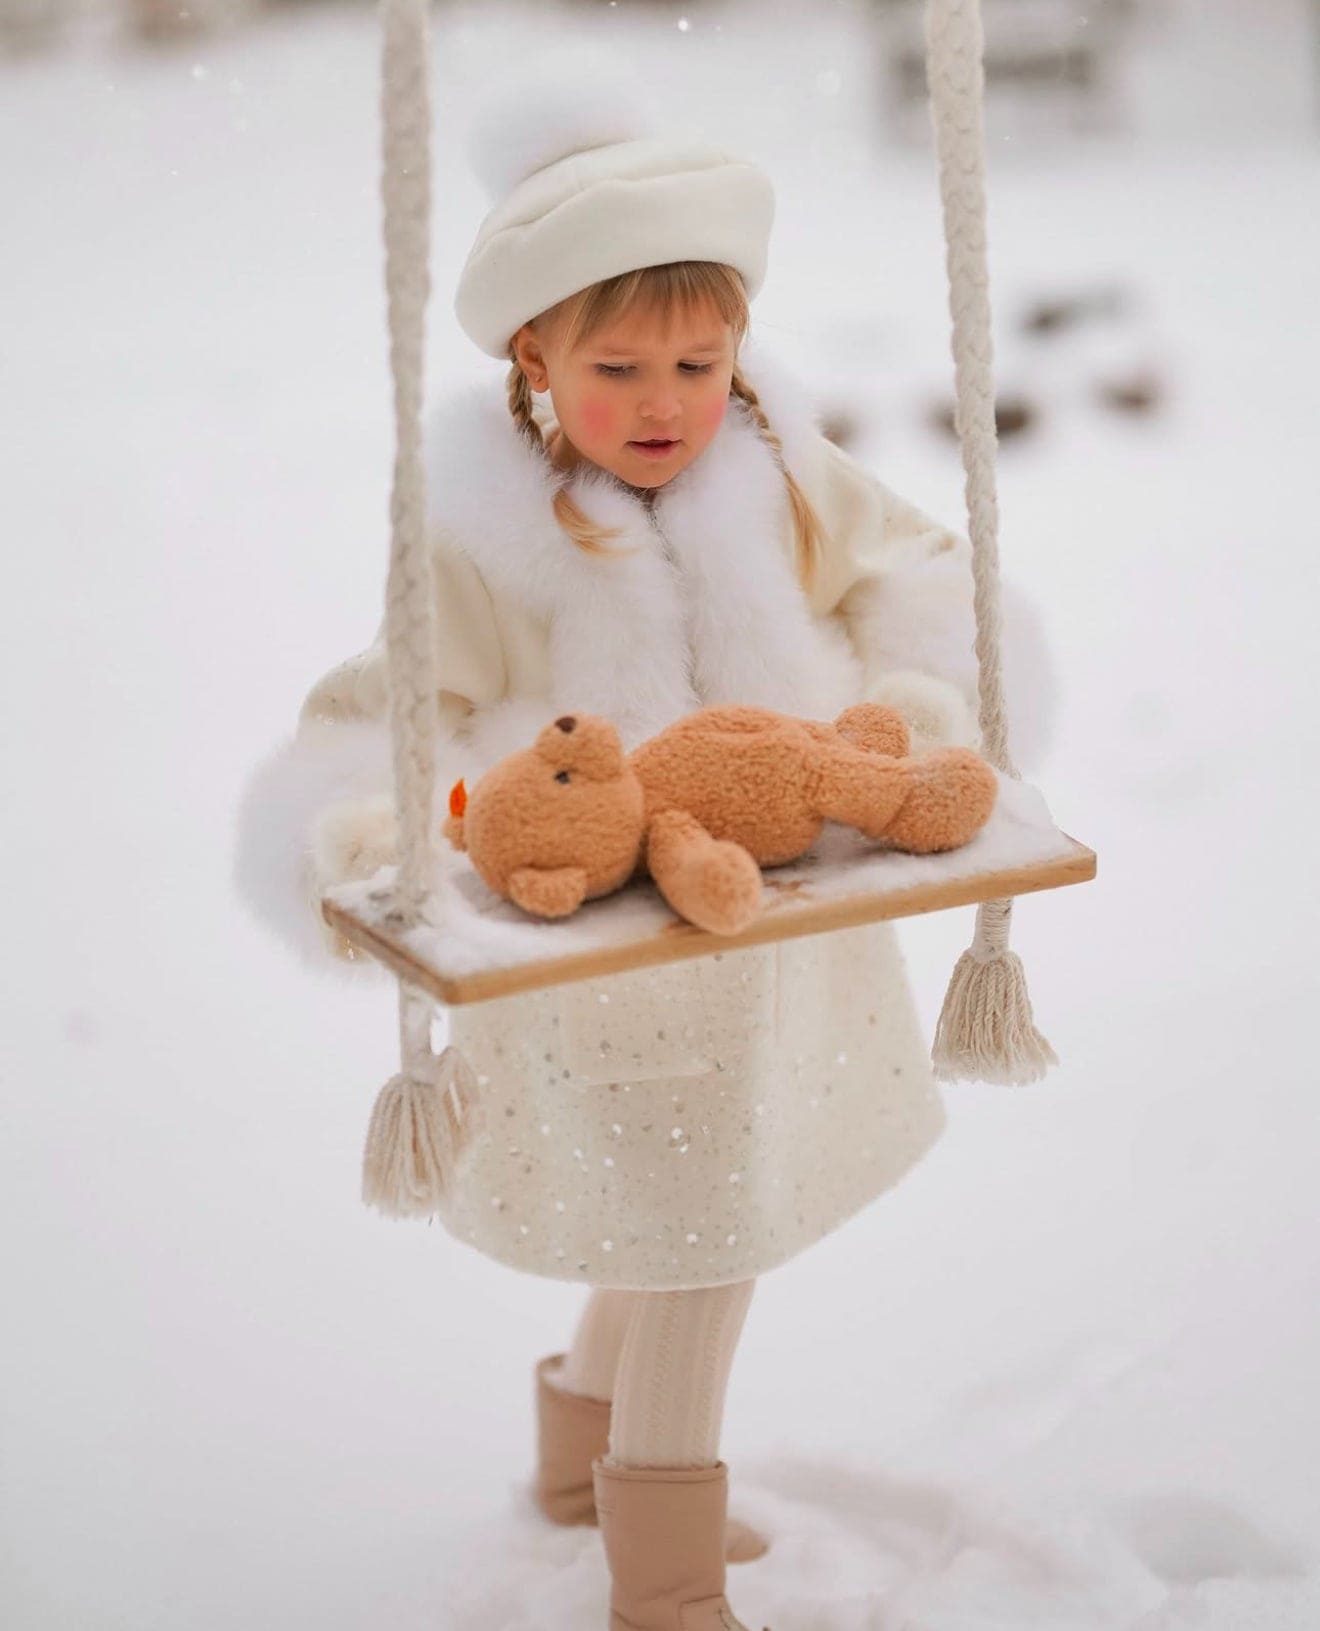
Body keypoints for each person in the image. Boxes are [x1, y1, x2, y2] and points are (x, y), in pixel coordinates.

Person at [235, 52, 1045, 1631]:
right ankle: (661, 1585)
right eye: (618, 370)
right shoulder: (485, 531)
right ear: (536, 358)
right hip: (597, 938)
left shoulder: (783, 471)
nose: (663, 405)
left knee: (692, 1200)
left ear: (739, 347)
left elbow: (919, 575)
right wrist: (365, 828)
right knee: (698, 1240)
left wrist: (907, 702)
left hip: (777, 923)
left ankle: (573, 1465)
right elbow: (388, 700)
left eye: (697, 360)